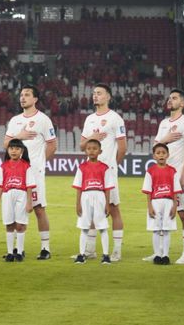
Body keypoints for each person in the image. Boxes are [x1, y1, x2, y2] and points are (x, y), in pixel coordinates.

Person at [144, 89, 184, 264]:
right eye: (169, 98)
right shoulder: (164, 123)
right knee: (158, 214)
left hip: (177, 175)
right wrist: (165, 138)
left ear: (182, 103)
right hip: (161, 175)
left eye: (174, 98)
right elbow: (156, 148)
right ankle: (158, 252)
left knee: (183, 213)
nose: (170, 100)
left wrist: (183, 175)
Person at [4, 84, 57, 260]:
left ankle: (45, 248)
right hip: (15, 173)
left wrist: (40, 164)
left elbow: (52, 145)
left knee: (39, 209)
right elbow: (6, 144)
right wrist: (18, 136)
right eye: (21, 95)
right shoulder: (15, 121)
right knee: (16, 210)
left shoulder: (43, 120)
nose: (23, 97)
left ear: (35, 99)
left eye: (27, 94)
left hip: (34, 172)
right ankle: (18, 250)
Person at [80, 83, 127, 261]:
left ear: (108, 97)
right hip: (91, 171)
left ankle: (116, 250)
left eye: (99, 93)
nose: (95, 96)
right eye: (94, 93)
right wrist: (92, 138)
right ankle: (90, 250)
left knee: (113, 208)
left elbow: (122, 147)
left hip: (107, 171)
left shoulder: (115, 118)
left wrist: (112, 166)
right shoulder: (89, 119)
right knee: (90, 209)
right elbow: (81, 145)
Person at [72, 139, 114, 264]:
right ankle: (81, 254)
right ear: (85, 151)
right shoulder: (82, 167)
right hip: (85, 196)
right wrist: (78, 203)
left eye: (95, 148)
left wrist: (107, 204)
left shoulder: (104, 168)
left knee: (102, 227)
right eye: (89, 148)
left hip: (100, 196)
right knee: (84, 227)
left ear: (100, 151)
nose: (91, 150)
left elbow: (107, 188)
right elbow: (79, 187)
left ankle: (106, 255)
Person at [0, 139, 35, 262]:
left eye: (17, 148)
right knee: (9, 224)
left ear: (21, 150)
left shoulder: (26, 166)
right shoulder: (4, 166)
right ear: (8, 150)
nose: (14, 151)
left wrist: (29, 202)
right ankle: (10, 252)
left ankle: (20, 251)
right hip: (7, 196)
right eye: (11, 148)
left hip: (21, 195)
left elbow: (29, 186)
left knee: (20, 224)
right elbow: (0, 186)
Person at [142, 143, 182, 265]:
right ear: (154, 156)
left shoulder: (172, 171)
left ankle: (165, 255)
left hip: (169, 202)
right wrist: (149, 206)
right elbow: (148, 190)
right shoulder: (150, 171)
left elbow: (176, 190)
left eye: (163, 153)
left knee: (166, 230)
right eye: (158, 153)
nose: (161, 155)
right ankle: (157, 255)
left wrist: (175, 206)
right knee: (155, 229)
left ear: (168, 155)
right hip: (155, 202)